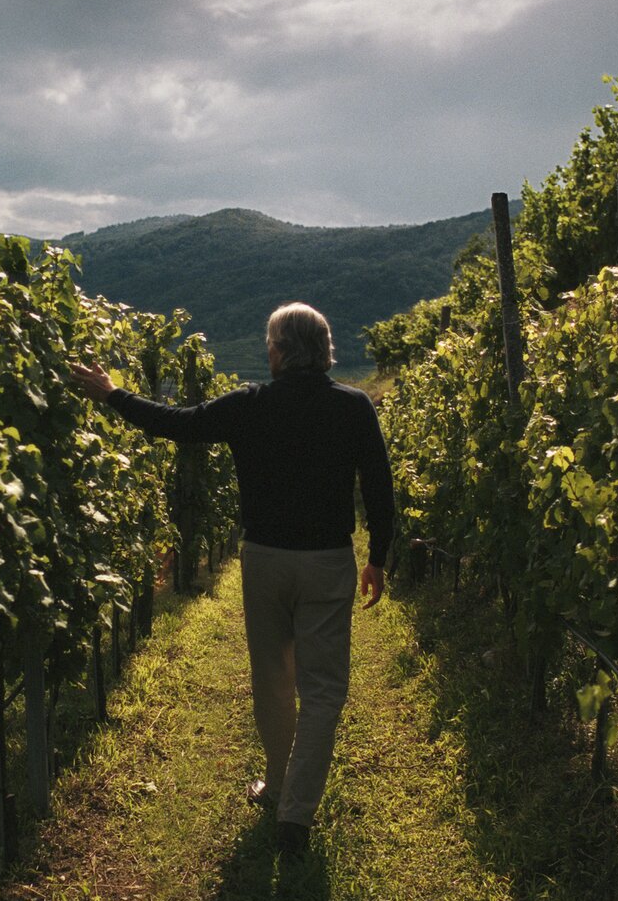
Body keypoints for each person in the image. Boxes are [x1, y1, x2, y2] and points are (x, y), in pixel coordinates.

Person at [71, 302, 394, 859]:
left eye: (270, 343)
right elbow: (380, 487)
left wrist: (112, 395)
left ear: (279, 350)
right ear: (324, 349)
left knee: (272, 677)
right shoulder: (353, 406)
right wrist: (378, 557)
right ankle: (297, 813)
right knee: (323, 690)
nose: (267, 350)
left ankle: (275, 785)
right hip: (326, 561)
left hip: (265, 559)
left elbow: (178, 424)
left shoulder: (250, 405)